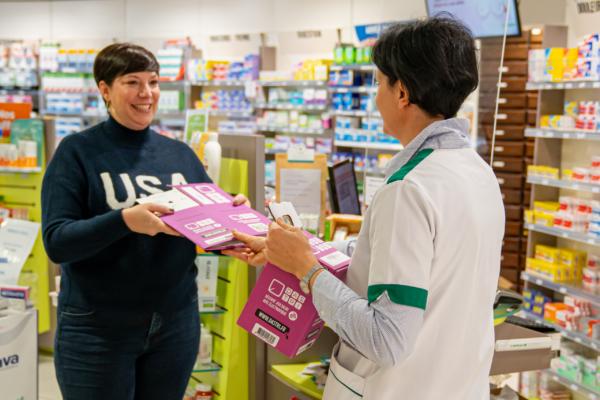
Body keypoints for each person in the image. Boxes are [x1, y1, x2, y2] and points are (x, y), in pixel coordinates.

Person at [224, 16, 505, 400]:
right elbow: (413, 265)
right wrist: (295, 251)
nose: (376, 96)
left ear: (402, 93)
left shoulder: (408, 188)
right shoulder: (478, 173)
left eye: (377, 83)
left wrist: (308, 271)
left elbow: (386, 341)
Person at [41, 43, 249, 400]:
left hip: (175, 324)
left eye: (153, 82)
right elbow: (58, 241)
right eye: (132, 82)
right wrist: (125, 220)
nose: (146, 93)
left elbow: (205, 225)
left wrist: (234, 215)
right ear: (105, 89)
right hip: (97, 328)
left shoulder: (179, 153)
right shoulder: (77, 152)